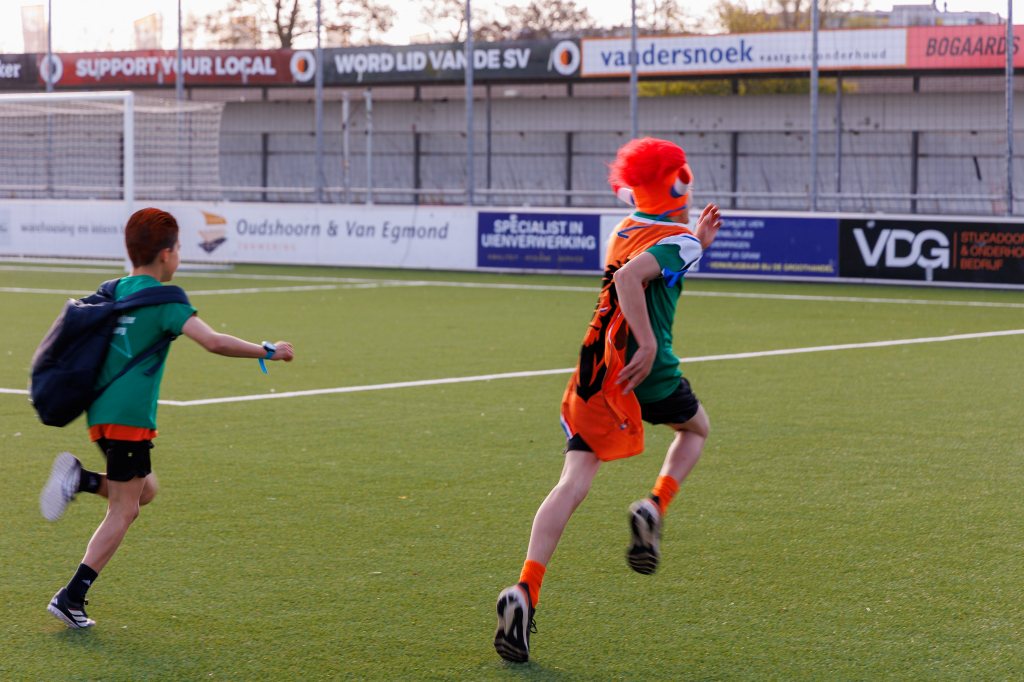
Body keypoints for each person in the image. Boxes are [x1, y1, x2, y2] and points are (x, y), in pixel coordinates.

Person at [493, 138, 722, 663]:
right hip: (645, 369)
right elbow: (629, 278)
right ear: (677, 185)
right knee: (696, 429)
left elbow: (634, 210)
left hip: (595, 371)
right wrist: (648, 341)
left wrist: (693, 238)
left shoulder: (625, 226)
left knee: (572, 481)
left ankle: (525, 588)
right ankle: (654, 505)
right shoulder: (681, 239)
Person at [39, 207, 295, 629]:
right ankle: (72, 597)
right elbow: (213, 342)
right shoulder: (166, 300)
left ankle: (79, 480)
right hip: (129, 419)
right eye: (178, 248)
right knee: (125, 510)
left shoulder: (115, 290)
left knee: (145, 492)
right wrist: (267, 351)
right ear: (165, 254)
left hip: (100, 413)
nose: (179, 255)